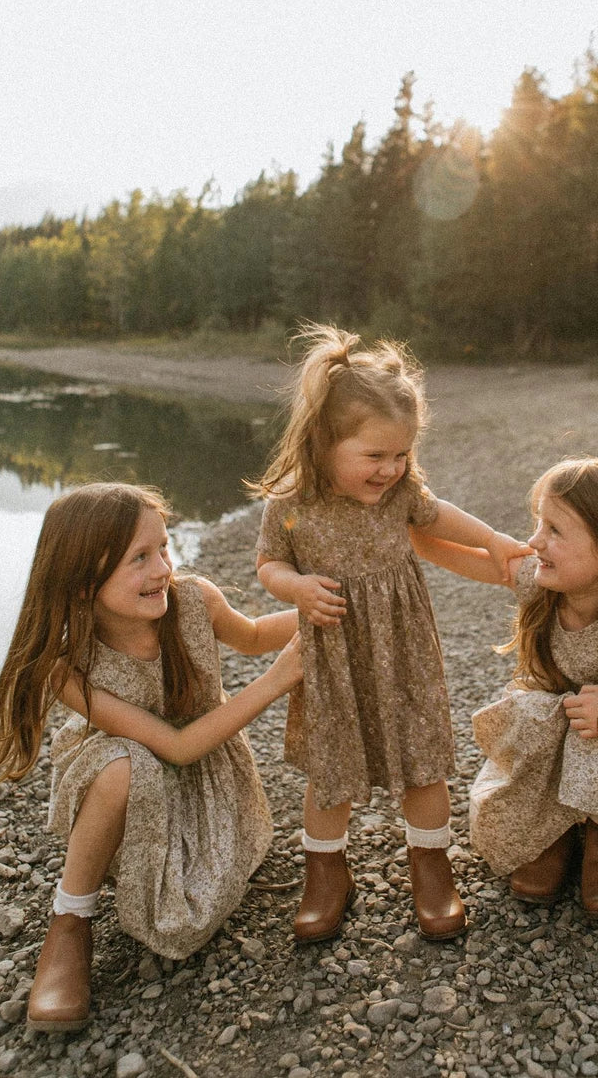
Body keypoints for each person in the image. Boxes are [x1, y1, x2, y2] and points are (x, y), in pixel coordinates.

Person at [0, 482, 301, 1032]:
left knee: (193, 920)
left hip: (205, 773)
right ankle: (70, 920)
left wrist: (328, 611)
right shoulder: (69, 666)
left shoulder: (194, 601)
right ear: (84, 581)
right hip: (128, 777)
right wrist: (277, 680)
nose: (162, 569)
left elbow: (254, 635)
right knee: (126, 763)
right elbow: (175, 747)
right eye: (139, 559)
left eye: (163, 548)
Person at [252, 324, 528, 943]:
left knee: (422, 762)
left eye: (401, 454)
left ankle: (430, 865)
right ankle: (326, 873)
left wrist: (493, 540)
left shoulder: (400, 492)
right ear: (324, 442)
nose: (390, 469)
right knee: (331, 770)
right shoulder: (290, 504)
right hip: (334, 655)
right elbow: (268, 564)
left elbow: (440, 516)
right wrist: (296, 588)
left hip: (404, 651)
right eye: (374, 456)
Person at [412, 458, 598, 919]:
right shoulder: (541, 584)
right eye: (538, 522)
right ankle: (553, 827)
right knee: (535, 712)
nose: (535, 541)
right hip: (557, 743)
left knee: (595, 725)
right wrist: (404, 517)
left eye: (554, 530)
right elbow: (438, 549)